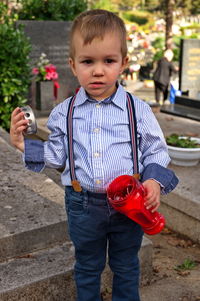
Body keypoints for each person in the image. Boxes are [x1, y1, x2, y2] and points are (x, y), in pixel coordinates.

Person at [10, 9, 178, 301]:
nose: (98, 70)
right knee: (88, 266)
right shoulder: (65, 112)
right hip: (83, 204)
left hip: (130, 204)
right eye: (88, 61)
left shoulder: (137, 109)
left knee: (126, 265)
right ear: (73, 65)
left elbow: (155, 150)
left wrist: (153, 182)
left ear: (123, 63)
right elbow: (58, 156)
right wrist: (25, 145)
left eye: (108, 61)